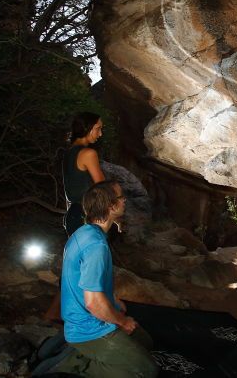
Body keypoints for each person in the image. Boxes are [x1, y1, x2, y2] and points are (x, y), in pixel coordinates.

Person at [60, 180, 157, 378]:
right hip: (88, 328)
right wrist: (122, 322)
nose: (125, 201)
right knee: (146, 371)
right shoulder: (96, 246)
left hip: (87, 319)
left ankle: (93, 356)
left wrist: (112, 300)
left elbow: (86, 282)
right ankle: (76, 368)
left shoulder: (84, 232)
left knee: (145, 342)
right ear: (111, 206)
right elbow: (94, 303)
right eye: (121, 198)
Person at [63, 112, 106, 236]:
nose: (100, 133)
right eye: (98, 128)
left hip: (72, 215)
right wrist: (115, 216)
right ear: (87, 127)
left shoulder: (69, 152)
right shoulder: (88, 153)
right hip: (86, 216)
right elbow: (103, 188)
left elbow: (69, 189)